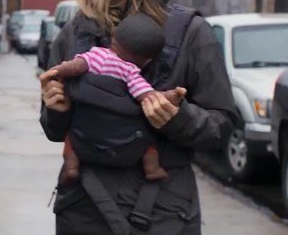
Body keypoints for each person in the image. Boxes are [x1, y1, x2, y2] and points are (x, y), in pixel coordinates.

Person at [39, 0, 240, 235]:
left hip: (160, 219)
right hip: (84, 217)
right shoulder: (74, 34)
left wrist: (177, 117)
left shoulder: (190, 33)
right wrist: (55, 109)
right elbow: (55, 132)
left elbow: (222, 125)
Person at [50, 13, 186, 184]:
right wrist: (167, 97)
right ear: (145, 60)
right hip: (120, 134)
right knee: (149, 147)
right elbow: (146, 95)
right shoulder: (130, 71)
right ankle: (152, 170)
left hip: (85, 127)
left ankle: (71, 167)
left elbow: (75, 67)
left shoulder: (95, 55)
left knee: (71, 141)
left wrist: (57, 71)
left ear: (113, 37)